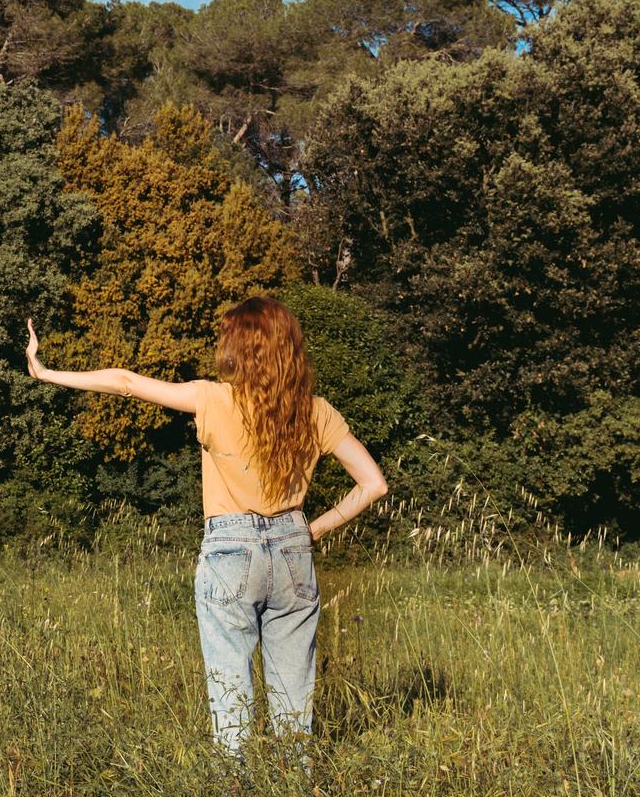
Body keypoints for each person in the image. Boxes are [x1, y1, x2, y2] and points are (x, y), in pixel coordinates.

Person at [24, 296, 387, 755]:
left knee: (230, 706)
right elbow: (373, 484)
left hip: (229, 552)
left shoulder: (212, 399)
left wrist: (47, 371)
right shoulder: (316, 411)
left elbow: (126, 383)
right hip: (295, 547)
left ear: (238, 348)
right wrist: (310, 530)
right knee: (295, 712)